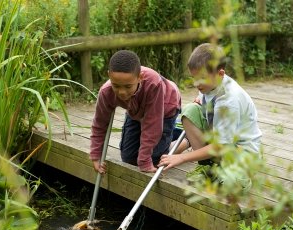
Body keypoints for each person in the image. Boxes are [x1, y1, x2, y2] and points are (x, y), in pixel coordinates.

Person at [158, 43, 262, 185]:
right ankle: (208, 166)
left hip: (241, 151)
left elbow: (221, 146)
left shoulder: (229, 101)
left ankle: (241, 177)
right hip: (221, 143)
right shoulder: (210, 85)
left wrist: (182, 158)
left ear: (220, 74)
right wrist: (201, 99)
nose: (196, 84)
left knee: (227, 185)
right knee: (190, 110)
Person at [90, 50, 181, 173]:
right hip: (136, 111)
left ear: (140, 77)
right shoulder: (106, 91)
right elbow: (100, 124)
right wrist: (96, 155)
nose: (122, 92)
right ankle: (167, 137)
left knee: (154, 158)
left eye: (127, 86)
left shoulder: (153, 84)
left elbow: (152, 125)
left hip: (165, 107)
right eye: (116, 86)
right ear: (109, 76)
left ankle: (180, 138)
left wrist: (144, 162)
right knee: (128, 158)